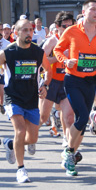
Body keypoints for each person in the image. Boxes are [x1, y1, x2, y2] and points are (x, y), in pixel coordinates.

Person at [0, 19, 51, 183]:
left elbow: (48, 70)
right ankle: (21, 169)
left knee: (32, 139)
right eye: (25, 30)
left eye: (31, 30)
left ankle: (11, 144)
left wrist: (45, 85)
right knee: (20, 130)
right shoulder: (8, 52)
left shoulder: (38, 52)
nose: (29, 33)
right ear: (16, 33)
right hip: (13, 98)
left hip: (32, 98)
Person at [53, 0, 96, 177]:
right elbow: (57, 50)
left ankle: (69, 156)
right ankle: (69, 152)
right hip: (73, 79)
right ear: (84, 12)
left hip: (90, 80)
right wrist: (65, 60)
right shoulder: (72, 31)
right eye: (93, 9)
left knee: (82, 123)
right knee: (83, 116)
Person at [40, 12, 75, 145]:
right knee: (43, 117)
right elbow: (41, 60)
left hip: (67, 80)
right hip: (51, 80)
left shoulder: (73, 40)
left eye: (70, 26)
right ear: (57, 26)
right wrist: (59, 57)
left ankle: (67, 141)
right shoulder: (52, 41)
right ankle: (29, 137)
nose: (67, 29)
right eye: (64, 26)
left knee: (69, 116)